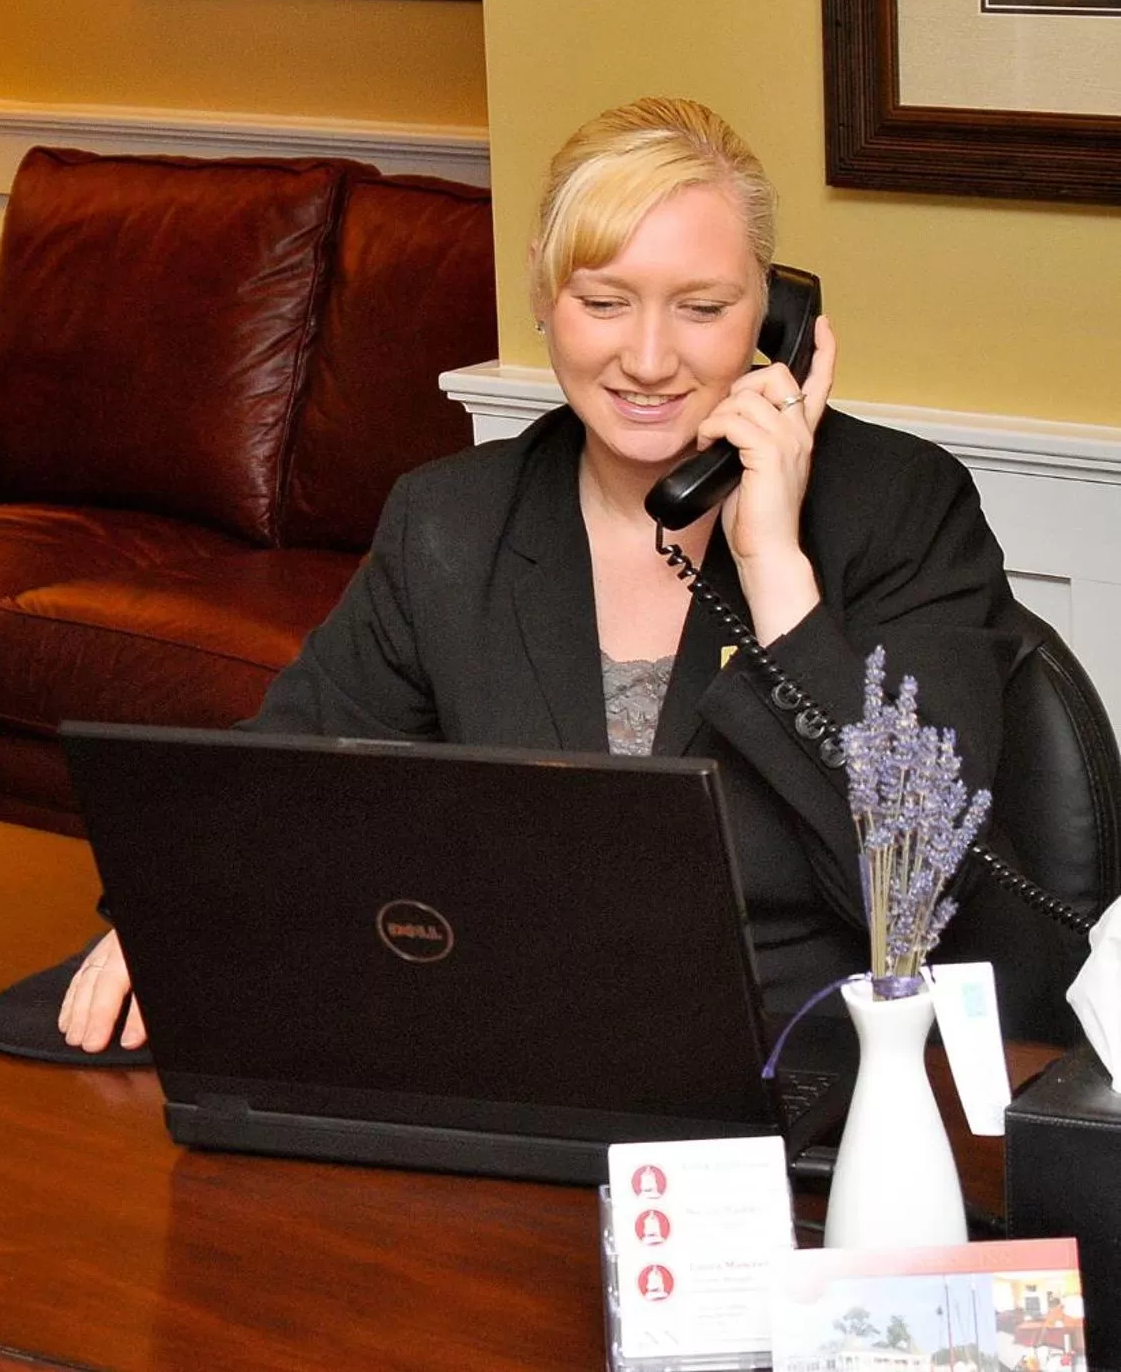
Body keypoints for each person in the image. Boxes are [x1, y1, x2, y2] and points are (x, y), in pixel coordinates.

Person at [61, 96, 1071, 1054]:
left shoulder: (900, 508)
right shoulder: (449, 520)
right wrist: (171, 918)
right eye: (603, 301)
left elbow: (912, 882)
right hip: (512, 1044)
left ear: (776, 320)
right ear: (544, 296)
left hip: (805, 1068)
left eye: (701, 307)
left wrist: (770, 563)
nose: (645, 357)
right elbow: (283, 777)